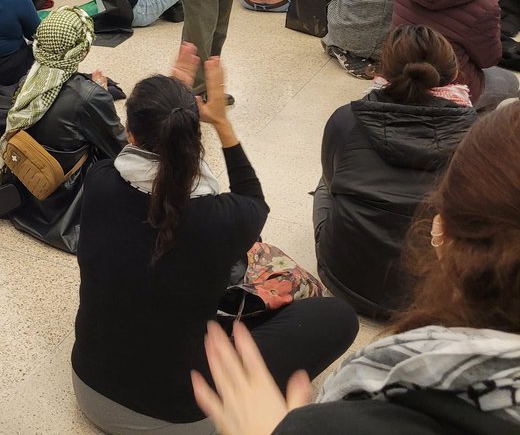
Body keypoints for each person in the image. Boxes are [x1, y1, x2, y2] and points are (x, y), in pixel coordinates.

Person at [74, 46, 357, 433]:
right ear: (193, 139)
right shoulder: (222, 218)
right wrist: (222, 123)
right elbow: (254, 201)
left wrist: (166, 107)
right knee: (337, 317)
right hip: (181, 418)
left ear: (131, 133)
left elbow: (136, 165)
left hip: (89, 387)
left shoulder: (99, 181)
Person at [193, 104, 520, 434]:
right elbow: (251, 209)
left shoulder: (346, 118)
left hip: (339, 279)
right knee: (333, 314)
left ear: (443, 229)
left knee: (326, 189)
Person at [313, 25, 476, 320]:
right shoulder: (480, 134)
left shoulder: (346, 119)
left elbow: (332, 178)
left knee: (325, 184)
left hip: (347, 283)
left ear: (382, 70)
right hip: (437, 297)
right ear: (453, 73)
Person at [0, 7, 125, 254]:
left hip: (24, 181)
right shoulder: (89, 96)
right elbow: (119, 149)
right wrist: (101, 94)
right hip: (62, 202)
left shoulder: (30, 80)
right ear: (82, 51)